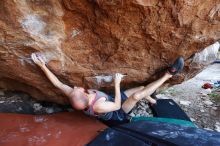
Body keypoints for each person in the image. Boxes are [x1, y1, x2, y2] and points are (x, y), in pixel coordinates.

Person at [31, 53, 184, 125]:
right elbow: (116, 106)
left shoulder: (75, 96)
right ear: (84, 95)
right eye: (77, 89)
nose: (75, 87)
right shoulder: (97, 105)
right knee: (136, 96)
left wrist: (43, 66)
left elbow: (57, 84)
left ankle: (150, 97)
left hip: (110, 100)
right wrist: (117, 83)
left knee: (143, 88)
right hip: (117, 113)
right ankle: (169, 75)